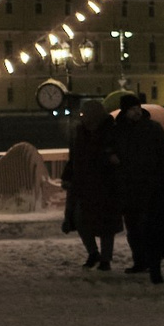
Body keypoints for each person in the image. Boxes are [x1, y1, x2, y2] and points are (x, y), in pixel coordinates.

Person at [110, 92, 164, 283]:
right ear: (125, 111)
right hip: (129, 186)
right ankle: (140, 260)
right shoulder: (118, 130)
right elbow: (110, 149)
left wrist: (163, 176)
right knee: (133, 227)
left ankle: (150, 259)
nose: (136, 112)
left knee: (148, 225)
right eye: (132, 109)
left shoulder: (153, 128)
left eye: (138, 108)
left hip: (150, 185)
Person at [66, 97, 121, 270]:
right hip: (84, 183)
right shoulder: (80, 132)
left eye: (85, 114)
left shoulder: (110, 131)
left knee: (106, 225)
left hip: (105, 184)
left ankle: (105, 259)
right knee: (81, 220)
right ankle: (93, 253)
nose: (82, 117)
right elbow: (74, 157)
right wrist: (69, 175)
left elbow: (114, 156)